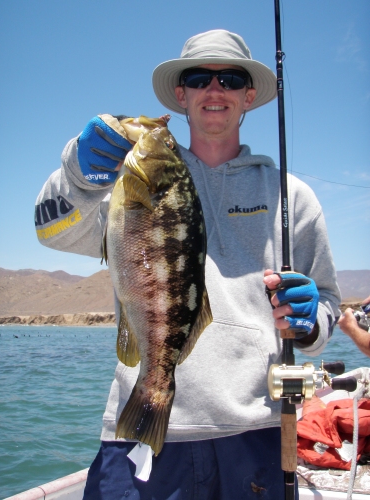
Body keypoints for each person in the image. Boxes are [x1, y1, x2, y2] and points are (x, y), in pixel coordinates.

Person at [35, 29, 341, 499]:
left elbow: (326, 304)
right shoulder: (128, 183)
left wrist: (310, 323)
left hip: (255, 431)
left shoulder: (292, 197)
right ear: (181, 94)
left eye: (231, 78)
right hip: (138, 434)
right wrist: (79, 172)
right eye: (200, 78)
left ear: (249, 94)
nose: (214, 89)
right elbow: (53, 231)